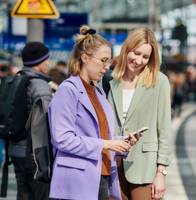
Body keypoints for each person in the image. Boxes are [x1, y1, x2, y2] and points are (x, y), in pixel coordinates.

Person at [48, 26, 137, 200]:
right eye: (103, 60)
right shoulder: (68, 90)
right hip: (76, 182)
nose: (106, 67)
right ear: (85, 58)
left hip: (100, 176)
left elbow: (99, 135)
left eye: (109, 61)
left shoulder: (98, 92)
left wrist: (121, 142)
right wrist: (106, 144)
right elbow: (63, 139)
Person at [108, 27, 172, 200]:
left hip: (145, 167)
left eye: (145, 57)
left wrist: (161, 173)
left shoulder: (159, 82)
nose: (138, 60)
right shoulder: (111, 81)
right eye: (136, 53)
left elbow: (164, 129)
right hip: (113, 164)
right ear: (126, 49)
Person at [8, 41, 54, 200]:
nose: (48, 63)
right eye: (46, 59)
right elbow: (48, 121)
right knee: (40, 194)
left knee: (23, 193)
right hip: (34, 154)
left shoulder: (17, 79)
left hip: (15, 148)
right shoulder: (40, 85)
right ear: (39, 62)